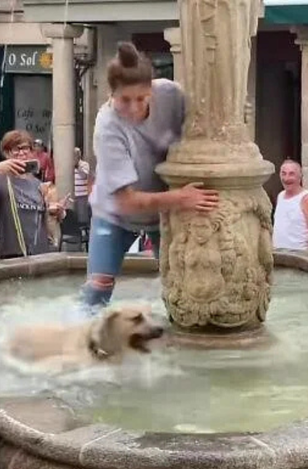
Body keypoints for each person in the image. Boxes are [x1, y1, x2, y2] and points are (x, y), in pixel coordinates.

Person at [81, 42, 218, 310]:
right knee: (98, 289)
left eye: (141, 98)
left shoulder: (170, 94)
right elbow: (125, 202)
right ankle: (78, 340)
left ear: (152, 88)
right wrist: (180, 198)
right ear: (112, 94)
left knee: (179, 283)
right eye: (124, 100)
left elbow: (204, 123)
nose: (134, 108)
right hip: (115, 214)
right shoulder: (106, 127)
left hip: (164, 213)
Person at [0, 130, 62, 260]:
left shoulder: (38, 184)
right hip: (12, 252)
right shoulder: (0, 180)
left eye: (26, 148)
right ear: (7, 153)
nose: (22, 153)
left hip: (41, 252)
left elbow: (46, 216)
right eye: (16, 149)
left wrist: (57, 211)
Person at [271, 158, 308, 252]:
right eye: (283, 173)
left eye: (291, 174)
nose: (286, 178)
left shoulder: (307, 198)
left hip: (299, 255)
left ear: (300, 176)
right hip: (278, 253)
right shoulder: (280, 196)